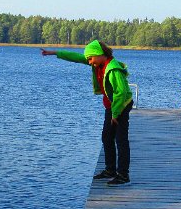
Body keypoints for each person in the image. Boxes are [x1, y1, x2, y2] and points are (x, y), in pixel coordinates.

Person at [41, 41, 133, 185]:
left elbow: (121, 93)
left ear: (99, 54)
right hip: (112, 105)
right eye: (88, 60)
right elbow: (76, 57)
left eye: (90, 59)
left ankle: (123, 175)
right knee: (107, 137)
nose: (89, 62)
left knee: (120, 139)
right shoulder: (98, 63)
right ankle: (110, 170)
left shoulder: (113, 69)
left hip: (121, 105)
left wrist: (116, 114)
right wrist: (54, 53)